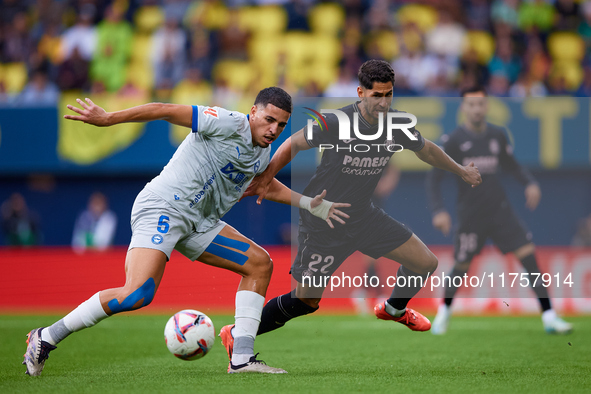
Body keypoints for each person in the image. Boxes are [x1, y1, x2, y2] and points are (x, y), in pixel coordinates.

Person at [23, 87, 350, 376]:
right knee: (137, 294)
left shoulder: (262, 152)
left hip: (200, 222)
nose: (274, 129)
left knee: (260, 264)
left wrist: (312, 205)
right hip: (163, 207)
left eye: (281, 124)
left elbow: (264, 186)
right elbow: (163, 109)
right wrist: (109, 118)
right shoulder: (225, 121)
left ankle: (242, 358)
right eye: (268, 119)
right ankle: (47, 336)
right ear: (253, 112)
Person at [218, 60, 482, 359]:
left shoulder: (396, 125)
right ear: (360, 92)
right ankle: (237, 333)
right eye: (376, 95)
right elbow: (294, 143)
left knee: (425, 263)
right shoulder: (336, 122)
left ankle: (394, 308)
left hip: (364, 217)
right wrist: (266, 178)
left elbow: (427, 149)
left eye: (389, 95)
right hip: (323, 219)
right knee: (306, 301)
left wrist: (460, 170)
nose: (383, 102)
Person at [426, 86, 572, 335]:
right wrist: (438, 210)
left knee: (528, 254)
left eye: (480, 104)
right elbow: (434, 178)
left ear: (487, 106)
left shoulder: (497, 135)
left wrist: (529, 183)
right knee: (461, 265)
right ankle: (444, 313)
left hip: (500, 210)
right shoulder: (454, 141)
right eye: (471, 105)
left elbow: (511, 165)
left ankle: (549, 316)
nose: (476, 109)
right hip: (471, 214)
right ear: (463, 108)